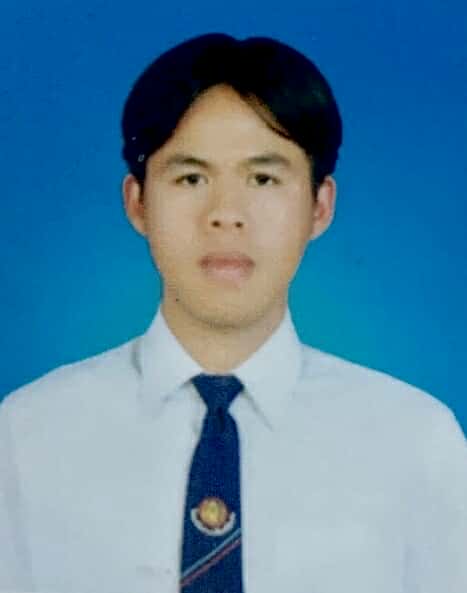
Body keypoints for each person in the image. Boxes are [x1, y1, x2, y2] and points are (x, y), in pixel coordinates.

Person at [1, 32, 466, 593]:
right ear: (137, 202)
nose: (226, 214)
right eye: (191, 178)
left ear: (320, 206)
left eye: (263, 179)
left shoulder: (416, 444)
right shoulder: (26, 437)